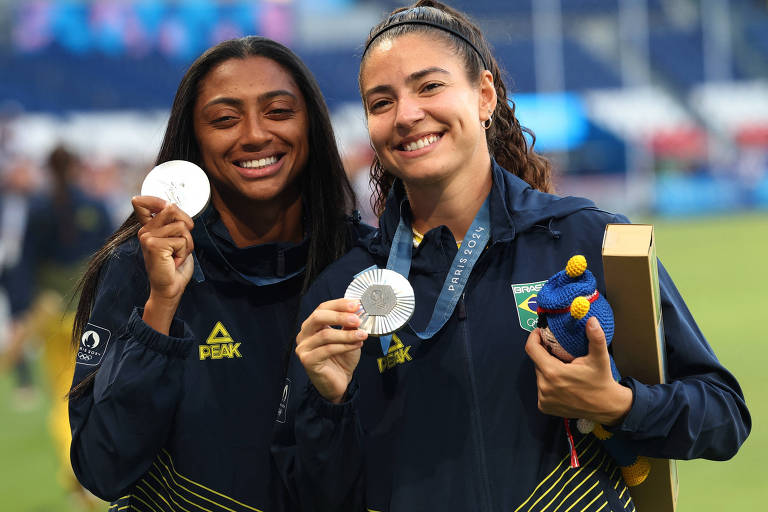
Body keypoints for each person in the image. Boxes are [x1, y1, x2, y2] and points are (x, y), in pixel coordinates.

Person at [273, 2, 751, 511]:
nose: (407, 114)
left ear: (484, 95)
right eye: (381, 101)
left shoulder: (589, 238)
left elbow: (723, 416)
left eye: (429, 86)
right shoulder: (345, 291)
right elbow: (311, 493)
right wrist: (329, 403)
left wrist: (619, 405)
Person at [68, 36, 364, 512]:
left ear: (312, 125)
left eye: (279, 111)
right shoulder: (141, 269)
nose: (254, 135)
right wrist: (160, 310)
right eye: (225, 119)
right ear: (195, 141)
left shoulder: (362, 268)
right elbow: (103, 467)